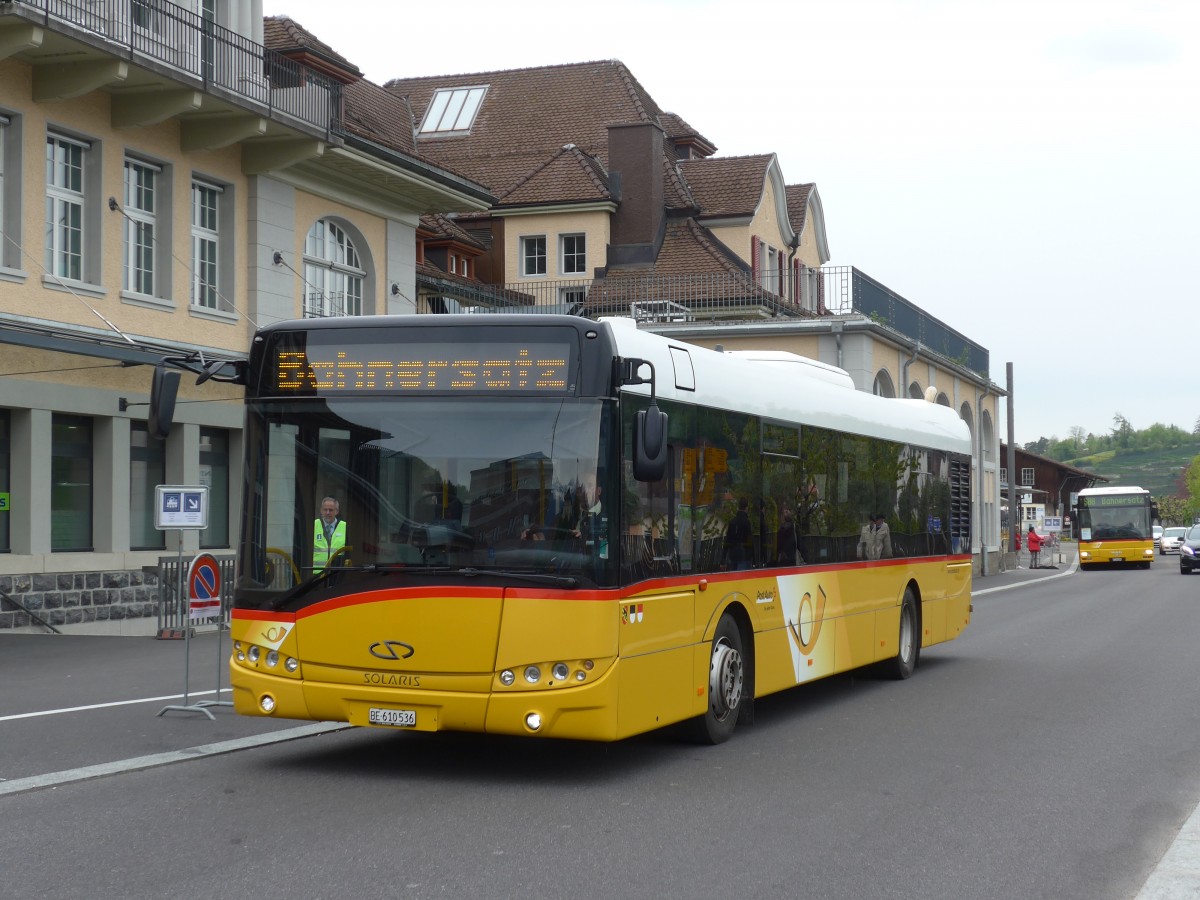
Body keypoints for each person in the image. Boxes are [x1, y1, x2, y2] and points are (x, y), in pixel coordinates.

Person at [313, 496, 346, 573]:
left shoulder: (345, 527)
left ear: (336, 511)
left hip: (336, 574)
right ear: (321, 510)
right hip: (316, 574)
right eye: (325, 510)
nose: (327, 512)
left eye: (331, 510)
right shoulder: (314, 525)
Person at [724, 497, 753, 570]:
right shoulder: (747, 522)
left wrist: (723, 558)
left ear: (738, 507)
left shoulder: (732, 522)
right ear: (746, 508)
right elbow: (749, 540)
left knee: (733, 578)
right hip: (744, 555)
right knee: (742, 578)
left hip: (733, 554)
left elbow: (727, 540)